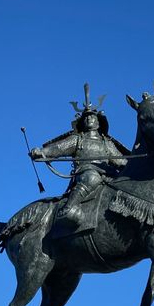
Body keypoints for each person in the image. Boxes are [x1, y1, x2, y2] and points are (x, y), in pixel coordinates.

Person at [30, 84, 128, 228]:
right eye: (86, 118)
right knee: (92, 177)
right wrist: (42, 152)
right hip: (87, 172)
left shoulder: (106, 143)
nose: (89, 120)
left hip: (108, 173)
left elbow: (119, 160)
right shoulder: (78, 139)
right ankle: (69, 207)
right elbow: (59, 147)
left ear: (99, 121)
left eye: (93, 117)